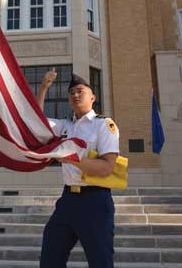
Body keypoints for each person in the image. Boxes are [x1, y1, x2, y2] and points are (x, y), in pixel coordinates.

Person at [37, 70, 119, 268]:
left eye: (80, 91)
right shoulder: (65, 125)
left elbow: (107, 167)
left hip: (95, 201)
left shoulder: (104, 125)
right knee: (50, 259)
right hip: (67, 201)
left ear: (93, 97)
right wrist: (44, 87)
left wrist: (71, 158)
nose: (75, 95)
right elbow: (36, 121)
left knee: (100, 262)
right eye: (71, 92)